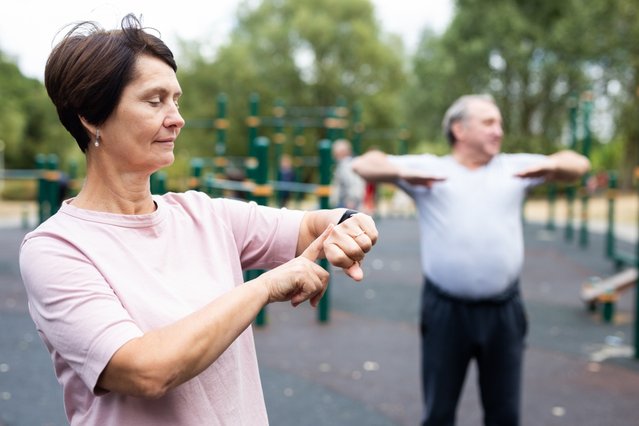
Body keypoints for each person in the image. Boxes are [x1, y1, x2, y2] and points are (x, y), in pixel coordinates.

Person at [19, 15, 378, 425]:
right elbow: (145, 370)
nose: (176, 117)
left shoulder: (205, 214)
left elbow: (314, 226)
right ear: (91, 117)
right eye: (155, 101)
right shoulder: (56, 249)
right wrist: (263, 287)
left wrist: (349, 223)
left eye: (177, 100)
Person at [351, 94, 590, 425]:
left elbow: (579, 164)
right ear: (459, 129)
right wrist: (403, 173)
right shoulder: (430, 169)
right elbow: (363, 164)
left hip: (504, 311)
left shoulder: (514, 167)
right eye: (489, 122)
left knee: (504, 414)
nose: (499, 131)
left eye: (500, 123)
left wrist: (552, 165)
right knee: (439, 412)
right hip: (446, 311)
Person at [330, 139, 366, 210]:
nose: (334, 156)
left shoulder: (346, 165)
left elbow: (354, 183)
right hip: (346, 202)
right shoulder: (350, 163)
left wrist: (352, 200)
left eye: (335, 153)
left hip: (346, 203)